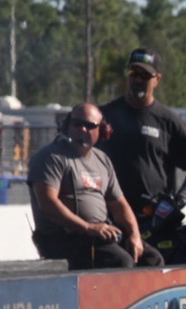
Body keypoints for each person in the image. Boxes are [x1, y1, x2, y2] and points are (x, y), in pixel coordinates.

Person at [28, 103, 162, 270]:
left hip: (98, 234)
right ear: (66, 125)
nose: (83, 130)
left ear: (103, 130)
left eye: (90, 126)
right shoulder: (50, 157)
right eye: (77, 124)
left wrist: (134, 236)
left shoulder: (102, 160)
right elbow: (47, 204)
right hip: (64, 238)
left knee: (152, 260)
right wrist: (88, 227)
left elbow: (120, 205)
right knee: (120, 262)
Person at [97, 47, 186, 215]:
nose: (138, 80)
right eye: (134, 73)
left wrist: (181, 199)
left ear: (157, 80)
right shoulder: (104, 115)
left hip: (153, 219)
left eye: (145, 75)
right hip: (109, 216)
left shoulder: (168, 120)